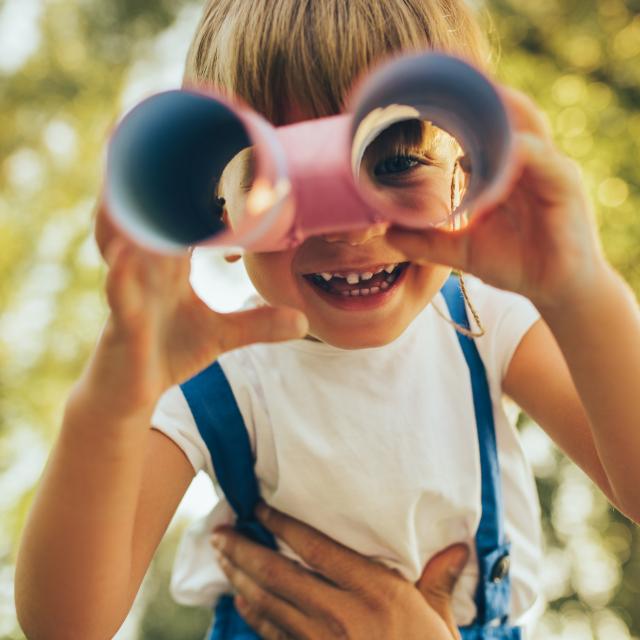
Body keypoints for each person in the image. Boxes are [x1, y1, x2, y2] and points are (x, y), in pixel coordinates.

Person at [14, 1, 640, 639]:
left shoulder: (488, 325)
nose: (350, 223)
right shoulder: (209, 378)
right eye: (279, 179)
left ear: (470, 167)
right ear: (216, 206)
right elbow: (66, 627)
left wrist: (579, 289)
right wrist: (111, 401)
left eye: (395, 160)